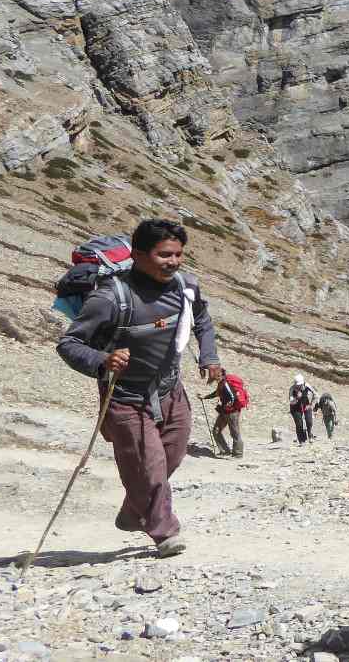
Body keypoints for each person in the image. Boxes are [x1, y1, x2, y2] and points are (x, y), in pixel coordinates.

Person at [57, 218, 220, 558]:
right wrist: (102, 359)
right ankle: (165, 531)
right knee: (150, 467)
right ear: (138, 254)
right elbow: (69, 344)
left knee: (172, 456)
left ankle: (134, 511)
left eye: (177, 255)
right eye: (163, 255)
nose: (172, 262)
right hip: (125, 397)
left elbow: (202, 320)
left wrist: (209, 357)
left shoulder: (185, 287)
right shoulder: (110, 298)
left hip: (170, 389)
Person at [201, 369, 244, 458]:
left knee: (235, 433)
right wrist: (205, 397)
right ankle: (225, 451)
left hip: (232, 412)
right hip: (224, 412)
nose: (217, 378)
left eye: (218, 376)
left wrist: (229, 404)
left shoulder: (225, 384)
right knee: (216, 430)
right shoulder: (220, 384)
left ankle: (238, 454)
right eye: (216, 376)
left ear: (222, 376)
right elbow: (216, 394)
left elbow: (233, 396)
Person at [289, 375, 316, 445]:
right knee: (299, 424)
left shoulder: (307, 386)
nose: (299, 386)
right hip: (295, 407)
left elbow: (316, 394)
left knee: (309, 421)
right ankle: (301, 440)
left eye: (300, 384)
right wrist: (297, 398)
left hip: (306, 405)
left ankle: (310, 434)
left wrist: (310, 405)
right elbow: (291, 401)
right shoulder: (292, 389)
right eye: (297, 385)